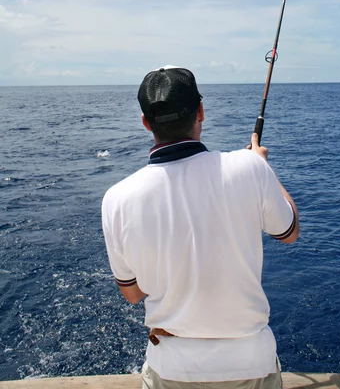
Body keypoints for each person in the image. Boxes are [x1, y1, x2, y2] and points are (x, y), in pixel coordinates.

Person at [102, 66, 299, 389]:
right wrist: (263, 168)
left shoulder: (116, 199)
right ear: (201, 112)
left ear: (145, 123)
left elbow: (133, 293)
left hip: (171, 367)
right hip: (251, 362)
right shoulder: (249, 167)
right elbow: (289, 232)